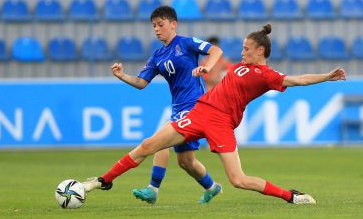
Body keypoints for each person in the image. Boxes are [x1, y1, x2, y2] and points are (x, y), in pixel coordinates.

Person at [84, 23, 346, 204]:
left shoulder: (267, 75)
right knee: (149, 145)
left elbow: (298, 80)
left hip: (221, 124)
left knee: (238, 180)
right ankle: (103, 180)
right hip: (200, 112)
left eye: (246, 48)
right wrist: (204, 70)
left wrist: (327, 76)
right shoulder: (238, 66)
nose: (242, 52)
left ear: (260, 51)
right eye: (242, 47)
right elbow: (216, 69)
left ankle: (291, 196)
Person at [85, 6, 224, 204]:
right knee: (186, 162)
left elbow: (216, 50)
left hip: (195, 108)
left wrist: (206, 67)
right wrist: (122, 75)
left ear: (173, 24)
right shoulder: (158, 56)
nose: (157, 29)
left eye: (161, 24)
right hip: (178, 109)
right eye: (154, 26)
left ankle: (138, 186)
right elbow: (141, 83)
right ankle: (212, 187)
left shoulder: (186, 43)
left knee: (154, 143)